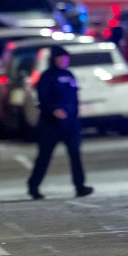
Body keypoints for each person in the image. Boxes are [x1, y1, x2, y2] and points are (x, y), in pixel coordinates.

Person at [27, 45, 94, 200]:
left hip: (70, 124)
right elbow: (42, 98)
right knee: (44, 157)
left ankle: (80, 186)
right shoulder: (47, 76)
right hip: (51, 125)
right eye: (61, 58)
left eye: (66, 58)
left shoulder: (69, 75)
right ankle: (33, 187)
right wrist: (53, 110)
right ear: (54, 59)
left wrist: (75, 115)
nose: (64, 61)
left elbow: (75, 96)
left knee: (75, 156)